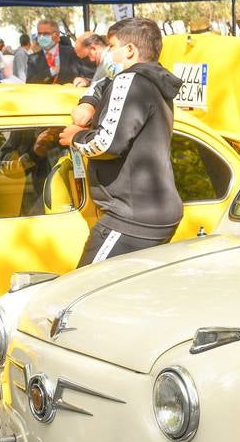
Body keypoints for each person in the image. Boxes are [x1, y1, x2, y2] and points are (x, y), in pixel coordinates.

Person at [58, 17, 183, 267]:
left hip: (130, 218)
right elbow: (103, 86)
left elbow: (107, 143)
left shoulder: (130, 81)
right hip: (154, 212)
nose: (109, 55)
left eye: (113, 47)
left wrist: (76, 138)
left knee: (83, 290)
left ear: (129, 50)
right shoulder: (152, 80)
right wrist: (89, 102)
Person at [25, 19, 88, 85]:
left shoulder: (71, 52)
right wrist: (51, 72)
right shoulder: (33, 58)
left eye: (46, 33)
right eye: (39, 33)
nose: (42, 37)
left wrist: (85, 81)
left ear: (57, 35)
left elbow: (86, 74)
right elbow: (30, 82)